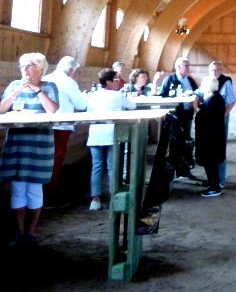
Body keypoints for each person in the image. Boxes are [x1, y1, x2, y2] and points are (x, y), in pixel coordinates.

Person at [0, 53, 59, 247]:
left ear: (41, 68)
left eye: (29, 65)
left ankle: (31, 232)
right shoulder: (14, 86)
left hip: (39, 145)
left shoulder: (49, 86)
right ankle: (19, 232)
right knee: (17, 190)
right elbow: (1, 109)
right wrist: (17, 91)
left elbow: (52, 110)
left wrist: (36, 89)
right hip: (17, 144)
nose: (24, 69)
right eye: (22, 66)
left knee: (34, 189)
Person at [42, 56, 87, 209]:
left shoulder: (46, 78)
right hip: (60, 125)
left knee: (43, 160)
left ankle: (39, 195)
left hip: (43, 125)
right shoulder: (68, 82)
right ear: (71, 70)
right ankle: (48, 197)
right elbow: (81, 105)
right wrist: (84, 96)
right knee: (55, 161)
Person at [87, 69, 135, 210]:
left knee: (96, 166)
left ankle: (94, 199)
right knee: (112, 166)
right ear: (108, 82)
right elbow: (132, 106)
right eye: (115, 79)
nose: (118, 82)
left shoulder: (93, 95)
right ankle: (114, 196)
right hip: (111, 133)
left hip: (95, 133)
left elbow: (89, 112)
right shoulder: (117, 95)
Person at [193, 75, 226, 197]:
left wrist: (196, 108)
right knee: (210, 162)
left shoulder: (213, 100)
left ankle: (214, 187)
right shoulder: (214, 98)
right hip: (212, 136)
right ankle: (213, 182)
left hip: (210, 138)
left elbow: (205, 118)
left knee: (210, 161)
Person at [209, 61, 236, 187]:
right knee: (211, 148)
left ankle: (220, 180)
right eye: (212, 70)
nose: (214, 72)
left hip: (221, 117)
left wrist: (222, 117)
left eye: (217, 70)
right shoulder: (208, 81)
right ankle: (213, 178)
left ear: (221, 70)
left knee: (220, 147)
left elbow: (231, 102)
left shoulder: (226, 82)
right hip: (210, 118)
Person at [158, 57, 198, 141]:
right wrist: (177, 97)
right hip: (175, 112)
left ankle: (186, 149)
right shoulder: (169, 79)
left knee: (186, 135)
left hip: (187, 112)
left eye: (188, 66)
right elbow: (162, 95)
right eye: (186, 66)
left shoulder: (190, 80)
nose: (188, 68)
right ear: (178, 67)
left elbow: (196, 92)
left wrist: (194, 99)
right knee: (175, 136)